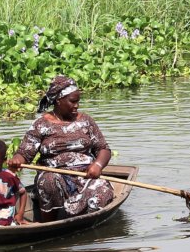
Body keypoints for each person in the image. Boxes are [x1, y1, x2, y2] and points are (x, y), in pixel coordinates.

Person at [7, 76, 114, 222]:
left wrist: (98, 165)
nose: (76, 106)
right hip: (55, 175)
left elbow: (104, 149)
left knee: (103, 191)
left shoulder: (86, 121)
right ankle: (50, 222)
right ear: (59, 100)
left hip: (85, 177)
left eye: (78, 101)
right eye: (72, 101)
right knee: (49, 181)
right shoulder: (41, 125)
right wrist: (16, 161)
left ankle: (75, 213)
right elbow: (24, 153)